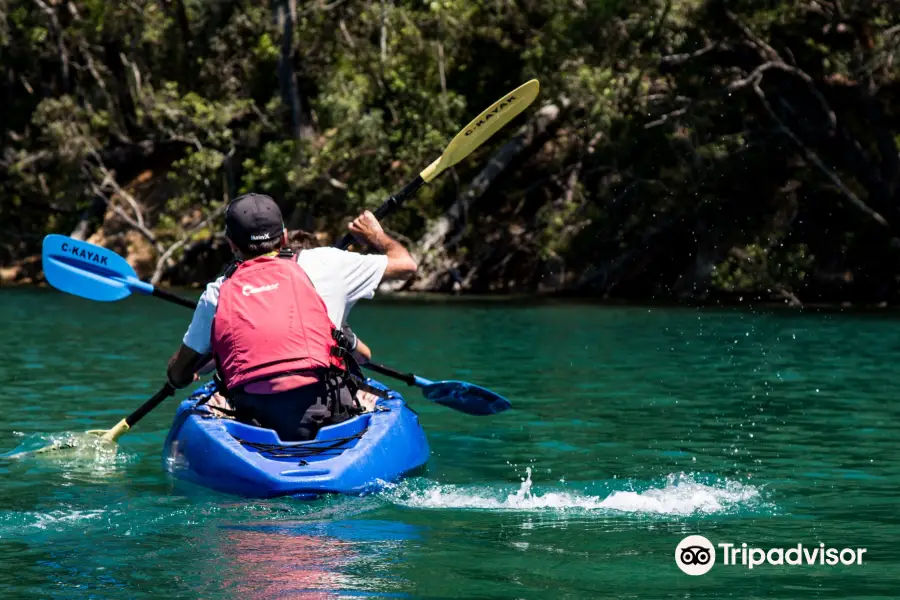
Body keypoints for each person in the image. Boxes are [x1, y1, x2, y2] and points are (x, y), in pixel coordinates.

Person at [165, 193, 416, 440]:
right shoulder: (328, 261)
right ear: (284, 236)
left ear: (231, 244)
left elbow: (178, 375)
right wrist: (376, 236)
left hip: (254, 420)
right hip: (328, 412)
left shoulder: (217, 292)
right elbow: (406, 265)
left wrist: (183, 372)